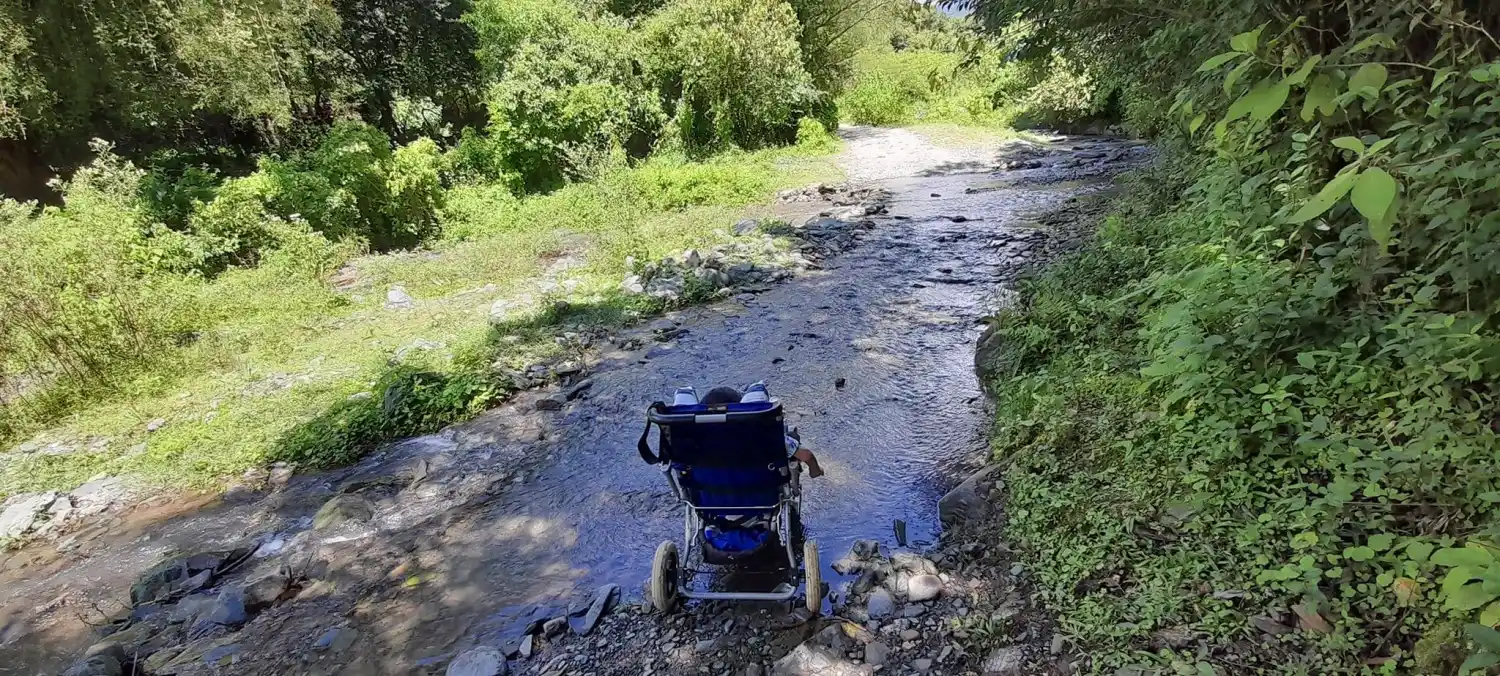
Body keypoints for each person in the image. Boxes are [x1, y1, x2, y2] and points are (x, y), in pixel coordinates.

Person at [685, 382, 826, 478]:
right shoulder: (762, 437)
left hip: (710, 498)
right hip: (760, 494)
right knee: (791, 436)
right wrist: (815, 471)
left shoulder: (692, 443)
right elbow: (806, 456)